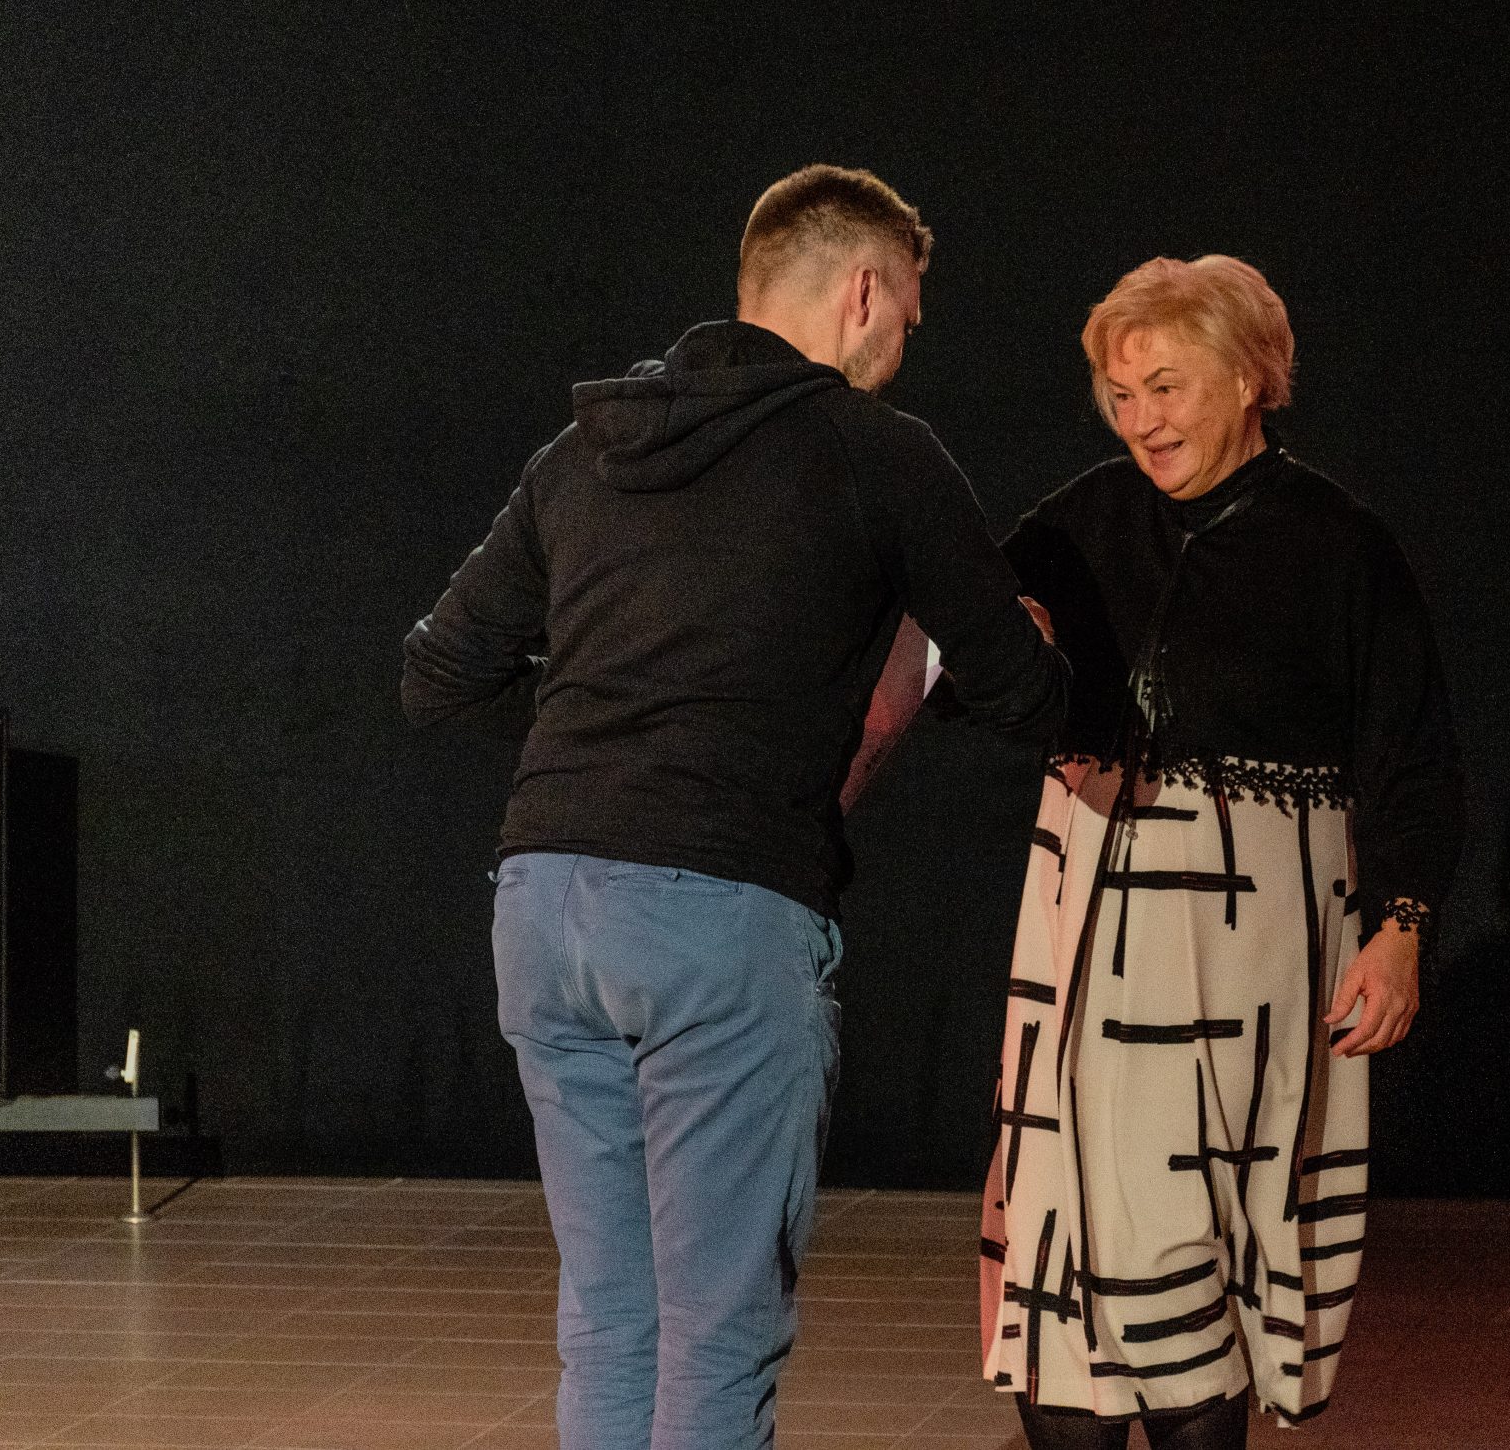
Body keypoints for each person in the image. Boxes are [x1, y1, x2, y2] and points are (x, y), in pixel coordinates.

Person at [400, 166, 1068, 1450]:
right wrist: (1020, 651)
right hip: (719, 908)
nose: (905, 343)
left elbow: (437, 674)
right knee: (716, 1332)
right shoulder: (880, 455)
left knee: (610, 1318)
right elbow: (1020, 692)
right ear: (862, 291)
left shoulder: (584, 451)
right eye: (908, 314)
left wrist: (605, 723)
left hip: (543, 905)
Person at [976, 255, 1465, 1445]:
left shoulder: (1338, 545)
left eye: (1166, 387)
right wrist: (996, 642)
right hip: (1090, 915)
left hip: (1252, 936)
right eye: (1120, 394)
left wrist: (1400, 928)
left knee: (1196, 1224)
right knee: (1070, 1230)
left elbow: (1410, 755)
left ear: (1249, 379)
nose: (1141, 420)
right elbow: (972, 672)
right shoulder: (1081, 523)